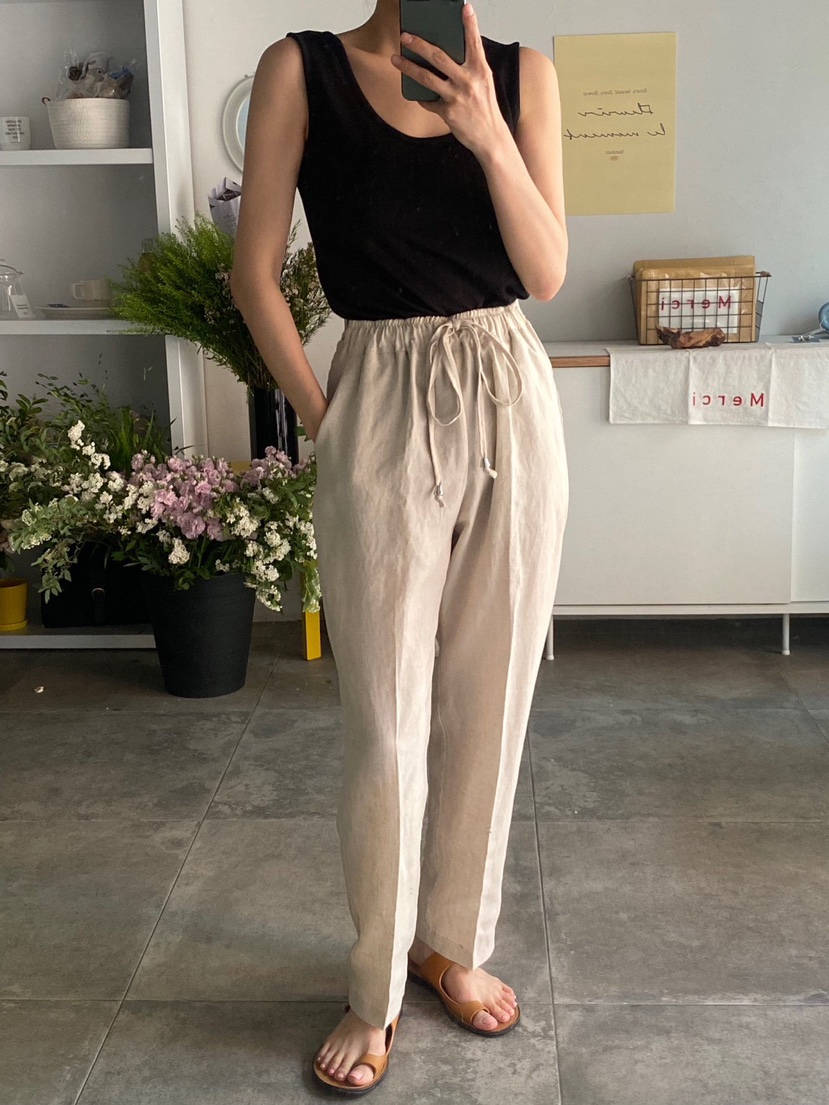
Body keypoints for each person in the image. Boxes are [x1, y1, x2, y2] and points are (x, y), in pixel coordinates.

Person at [230, 0, 569, 1094]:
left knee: (492, 699)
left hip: (508, 390)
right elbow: (254, 269)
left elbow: (547, 271)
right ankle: (373, 982)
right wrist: (327, 419)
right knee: (383, 721)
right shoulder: (301, 71)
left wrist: (487, 134)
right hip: (377, 392)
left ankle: (450, 944)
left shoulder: (523, 77)